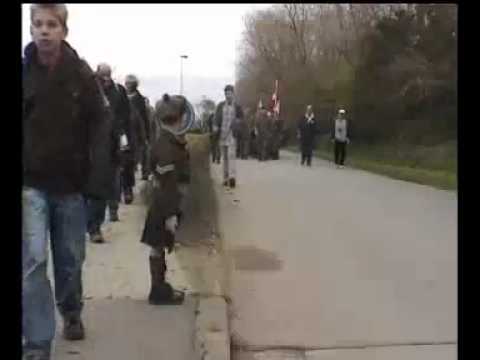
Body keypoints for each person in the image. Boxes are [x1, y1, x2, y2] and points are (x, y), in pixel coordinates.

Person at [22, 4, 109, 359]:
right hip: (31, 184)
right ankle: (38, 343)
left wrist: (97, 177)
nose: (44, 31)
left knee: (70, 259)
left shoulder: (81, 75)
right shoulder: (24, 71)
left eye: (51, 25)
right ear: (30, 29)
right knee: (34, 262)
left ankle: (71, 310)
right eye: (38, 24)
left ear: (63, 31)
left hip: (71, 185)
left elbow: (101, 123)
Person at [140, 93, 191, 305]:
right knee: (158, 244)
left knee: (158, 245)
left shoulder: (166, 142)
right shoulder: (167, 147)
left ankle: (159, 288)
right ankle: (158, 291)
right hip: (164, 204)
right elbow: (168, 183)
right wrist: (171, 214)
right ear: (178, 119)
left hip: (161, 203)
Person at [214, 85, 244, 188]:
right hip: (222, 135)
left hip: (232, 135)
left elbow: (241, 118)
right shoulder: (220, 106)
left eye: (230, 93)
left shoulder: (237, 106)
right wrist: (215, 126)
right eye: (226, 93)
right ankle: (225, 178)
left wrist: (237, 122)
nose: (228, 95)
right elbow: (216, 118)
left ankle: (232, 178)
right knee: (225, 158)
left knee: (231, 156)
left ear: (233, 94)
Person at [125, 74, 150, 180]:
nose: (127, 85)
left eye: (130, 83)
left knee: (143, 148)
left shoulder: (140, 100)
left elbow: (144, 117)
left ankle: (144, 171)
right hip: (125, 127)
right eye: (127, 83)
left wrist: (146, 133)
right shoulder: (122, 95)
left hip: (137, 129)